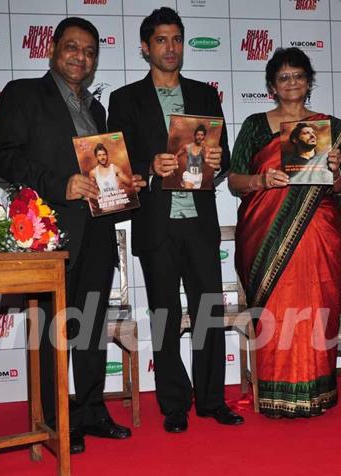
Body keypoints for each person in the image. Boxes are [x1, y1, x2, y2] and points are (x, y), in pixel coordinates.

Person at [0, 17, 145, 453]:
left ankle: (92, 409)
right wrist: (61, 184)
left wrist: (124, 184)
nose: (81, 57)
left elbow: (102, 170)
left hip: (97, 231)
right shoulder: (23, 94)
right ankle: (57, 417)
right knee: (53, 331)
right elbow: (2, 157)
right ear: (53, 49)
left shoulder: (96, 110)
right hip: (50, 232)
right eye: (73, 47)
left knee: (92, 328)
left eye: (90, 51)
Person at [107, 7, 243, 433]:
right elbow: (115, 167)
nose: (171, 48)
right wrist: (149, 167)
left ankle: (212, 400)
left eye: (177, 39)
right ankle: (173, 405)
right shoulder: (124, 99)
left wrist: (219, 161)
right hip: (156, 223)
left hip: (199, 221)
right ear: (146, 48)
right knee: (164, 317)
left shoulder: (205, 94)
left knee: (209, 312)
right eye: (161, 40)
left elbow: (221, 155)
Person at [228, 47, 341, 418]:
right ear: (272, 85)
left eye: (298, 76)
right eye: (283, 77)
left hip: (319, 230)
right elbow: (235, 181)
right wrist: (262, 179)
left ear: (309, 82)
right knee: (276, 311)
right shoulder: (255, 125)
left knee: (317, 306)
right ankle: (273, 393)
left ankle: (318, 391)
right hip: (265, 232)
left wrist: (335, 170)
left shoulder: (329, 128)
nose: (291, 83)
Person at [88, 142, 133, 213]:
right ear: (96, 157)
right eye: (99, 155)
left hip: (120, 207)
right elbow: (90, 190)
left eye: (104, 154)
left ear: (107, 155)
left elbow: (130, 183)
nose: (102, 157)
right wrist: (89, 201)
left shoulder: (115, 168)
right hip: (106, 209)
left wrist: (121, 181)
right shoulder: (93, 172)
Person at [177, 124, 206, 189]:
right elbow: (176, 156)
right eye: (198, 135)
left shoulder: (205, 149)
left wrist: (204, 149)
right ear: (195, 136)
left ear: (204, 136)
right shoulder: (187, 147)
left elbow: (207, 160)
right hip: (189, 175)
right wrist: (173, 168)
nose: (199, 137)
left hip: (199, 177)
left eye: (202, 135)